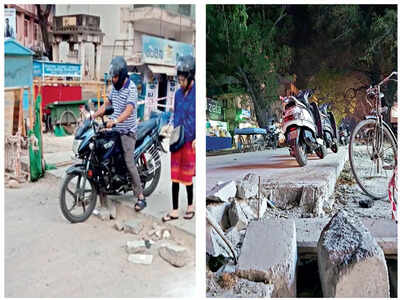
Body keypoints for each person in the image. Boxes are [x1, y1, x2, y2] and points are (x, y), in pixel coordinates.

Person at [93, 56, 147, 212]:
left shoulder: (131, 89)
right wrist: (94, 114)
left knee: (129, 162)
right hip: (115, 129)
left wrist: (115, 121)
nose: (113, 79)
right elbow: (106, 104)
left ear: (122, 75)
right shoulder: (114, 89)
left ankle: (141, 196)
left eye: (115, 76)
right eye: (112, 76)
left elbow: (129, 110)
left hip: (127, 131)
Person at [162, 55, 196, 222]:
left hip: (190, 141)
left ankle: (190, 206)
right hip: (177, 139)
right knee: (174, 176)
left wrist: (195, 137)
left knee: (187, 176)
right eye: (179, 80)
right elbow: (175, 114)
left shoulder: (196, 93)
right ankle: (174, 210)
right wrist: (169, 126)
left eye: (183, 80)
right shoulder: (177, 94)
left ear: (190, 78)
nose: (180, 83)